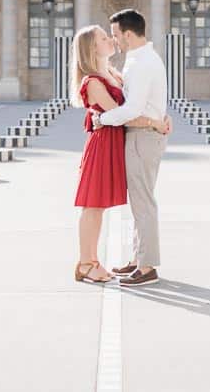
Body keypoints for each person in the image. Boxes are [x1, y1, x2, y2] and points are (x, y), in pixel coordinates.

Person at [72, 24, 170, 283]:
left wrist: (159, 114)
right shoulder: (93, 81)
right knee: (92, 206)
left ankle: (95, 262)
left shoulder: (113, 73)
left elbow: (139, 101)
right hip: (103, 145)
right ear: (93, 48)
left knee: (100, 206)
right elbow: (122, 114)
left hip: (114, 143)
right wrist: (154, 123)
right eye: (104, 38)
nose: (111, 40)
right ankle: (86, 263)